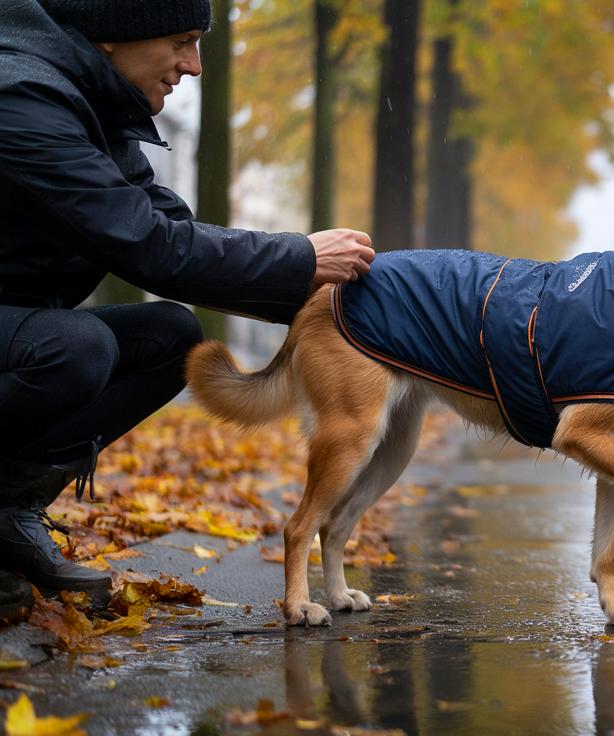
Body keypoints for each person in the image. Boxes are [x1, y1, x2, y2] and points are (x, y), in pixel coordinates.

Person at [0, 0, 376, 617]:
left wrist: (349, 308)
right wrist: (301, 257)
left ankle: (8, 511)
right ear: (118, 32)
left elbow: (176, 233)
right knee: (74, 348)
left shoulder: (91, 103)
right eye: (182, 40)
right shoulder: (21, 97)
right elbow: (148, 245)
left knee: (169, 335)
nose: (194, 66)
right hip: (25, 327)